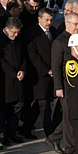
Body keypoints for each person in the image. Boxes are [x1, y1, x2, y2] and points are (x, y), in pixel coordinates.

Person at [47, 12, 78, 154]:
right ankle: (69, 146)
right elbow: (56, 66)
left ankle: (54, 137)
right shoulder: (59, 42)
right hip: (65, 85)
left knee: (71, 114)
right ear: (67, 24)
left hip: (76, 84)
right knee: (68, 116)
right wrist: (58, 87)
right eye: (76, 24)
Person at [24, 7, 58, 140]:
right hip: (39, 75)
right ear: (39, 19)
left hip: (52, 74)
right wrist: (46, 70)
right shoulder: (32, 33)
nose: (49, 23)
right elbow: (33, 55)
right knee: (44, 105)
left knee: (39, 104)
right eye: (46, 20)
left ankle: (26, 127)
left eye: (51, 20)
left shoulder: (54, 32)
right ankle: (50, 133)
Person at [0, 17, 26, 144]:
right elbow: (0, 61)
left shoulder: (18, 39)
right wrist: (14, 73)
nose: (16, 34)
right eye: (14, 32)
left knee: (18, 105)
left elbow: (23, 56)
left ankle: (12, 131)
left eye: (18, 32)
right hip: (5, 80)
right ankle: (2, 133)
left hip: (18, 79)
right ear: (7, 29)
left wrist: (22, 70)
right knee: (3, 108)